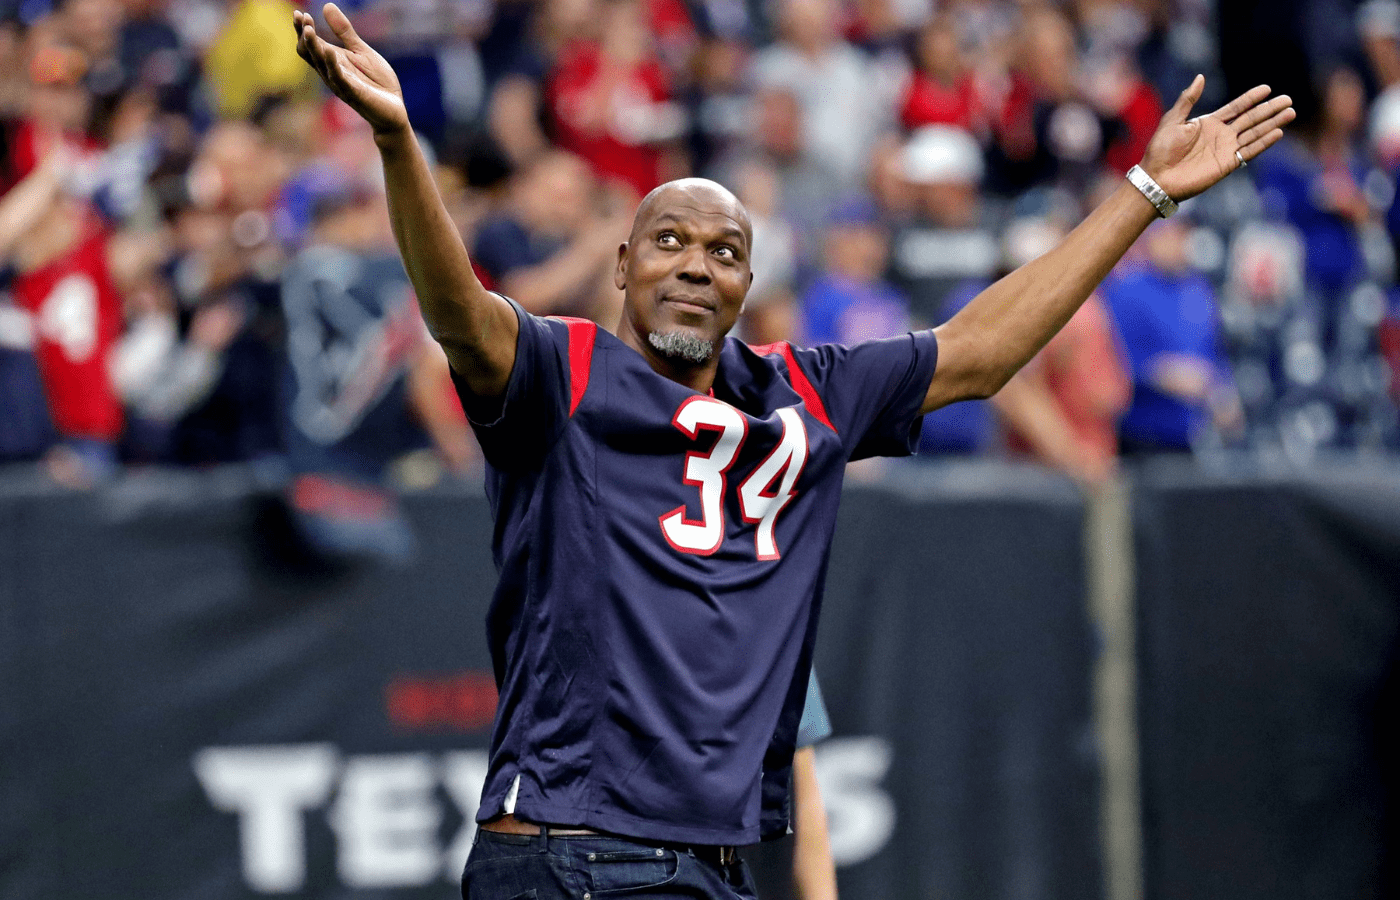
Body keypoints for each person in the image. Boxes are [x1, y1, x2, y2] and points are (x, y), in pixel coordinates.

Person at [292, 5, 1293, 898]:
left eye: (725, 251)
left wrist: (1143, 191)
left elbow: (981, 351)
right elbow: (459, 315)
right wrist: (397, 142)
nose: (695, 265)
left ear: (749, 284)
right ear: (621, 263)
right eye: (670, 241)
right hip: (572, 849)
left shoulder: (803, 388)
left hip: (707, 863)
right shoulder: (567, 371)